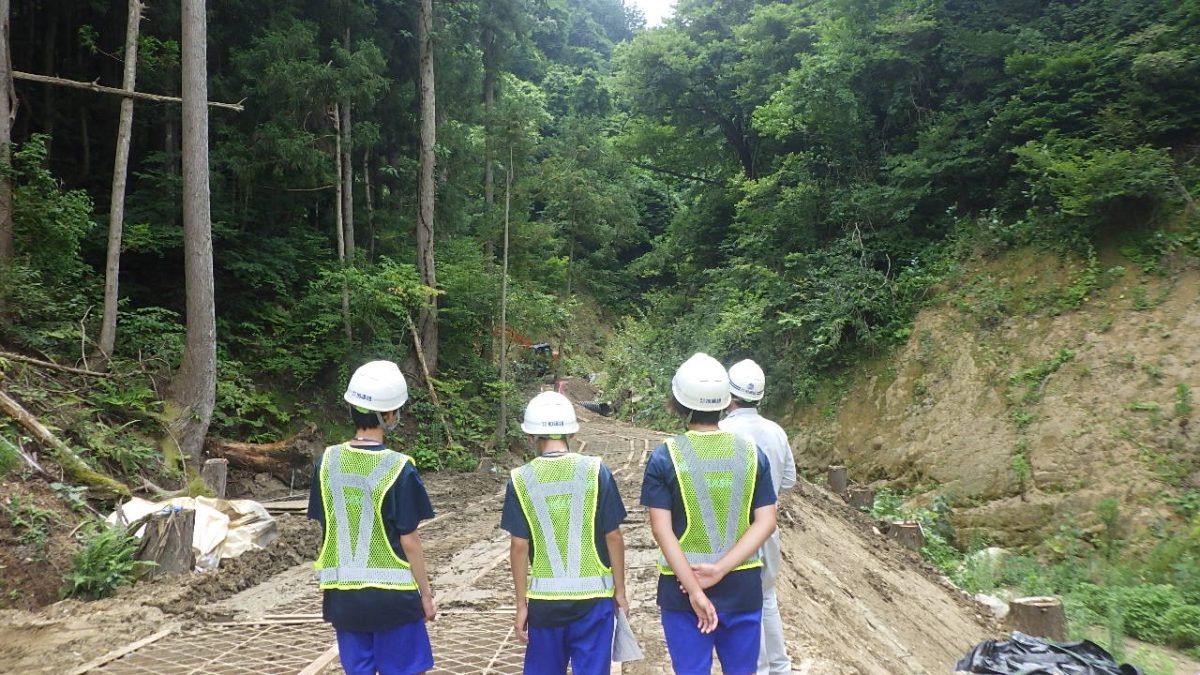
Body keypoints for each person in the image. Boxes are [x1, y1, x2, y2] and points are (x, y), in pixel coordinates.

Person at [641, 353, 778, 675]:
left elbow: (662, 531)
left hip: (681, 587)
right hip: (741, 583)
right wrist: (719, 570)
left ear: (678, 400)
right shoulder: (750, 454)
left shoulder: (665, 457)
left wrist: (695, 589)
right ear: (725, 400)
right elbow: (766, 521)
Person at [308, 360, 436, 675]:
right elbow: (410, 541)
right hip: (393, 601)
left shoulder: (327, 463)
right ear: (389, 415)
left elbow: (327, 525)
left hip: (343, 602)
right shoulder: (399, 468)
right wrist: (426, 595)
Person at [501, 391, 629, 675]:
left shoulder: (520, 479)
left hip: (546, 605)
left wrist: (522, 604)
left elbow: (519, 547)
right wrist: (620, 591)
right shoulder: (597, 471)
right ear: (571, 431)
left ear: (533, 435)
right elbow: (614, 537)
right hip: (594, 600)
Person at [719, 359, 797, 675]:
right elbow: (789, 480)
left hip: (735, 534)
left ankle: (761, 669)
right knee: (767, 599)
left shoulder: (722, 432)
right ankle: (780, 667)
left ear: (729, 395)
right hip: (770, 530)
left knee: (747, 606)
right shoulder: (776, 432)